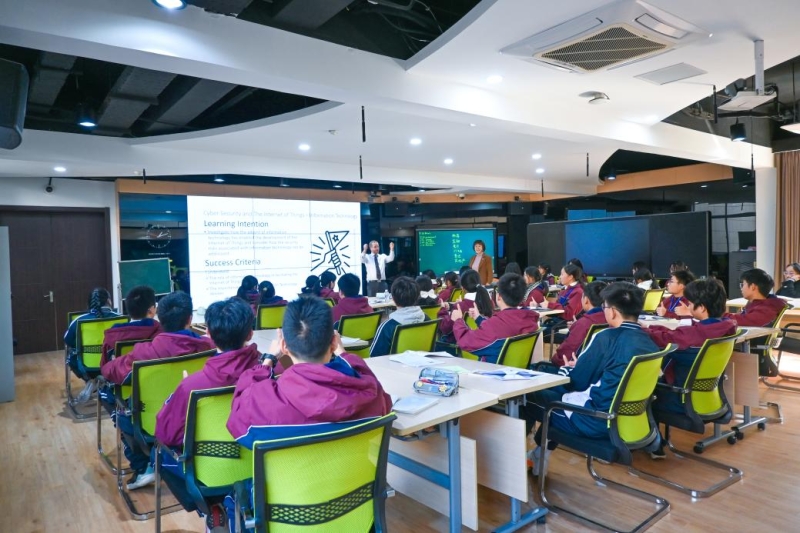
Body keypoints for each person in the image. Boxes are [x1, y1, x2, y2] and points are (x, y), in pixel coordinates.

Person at [225, 296, 393, 530]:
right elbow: (380, 394)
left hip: (290, 516)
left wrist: (268, 360)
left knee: (234, 496)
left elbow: (237, 418)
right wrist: (346, 356)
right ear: (333, 342)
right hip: (352, 507)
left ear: (284, 346)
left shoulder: (264, 402)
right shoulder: (370, 395)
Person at [523, 283, 659, 475]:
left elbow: (577, 383)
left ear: (613, 312)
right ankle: (538, 456)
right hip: (627, 420)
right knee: (553, 398)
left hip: (594, 420)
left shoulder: (606, 337)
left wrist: (574, 368)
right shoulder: (649, 341)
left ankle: (523, 460)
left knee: (526, 399)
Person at [153, 296, 261, 526]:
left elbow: (166, 434)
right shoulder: (271, 373)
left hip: (210, 473)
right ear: (250, 333)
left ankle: (211, 508)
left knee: (161, 453)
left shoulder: (192, 385)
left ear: (208, 334)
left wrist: (181, 391)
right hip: (260, 469)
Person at [102, 291, 216, 490]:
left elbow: (109, 371)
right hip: (197, 419)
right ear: (190, 319)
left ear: (159, 319)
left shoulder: (143, 352)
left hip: (152, 420)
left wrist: (111, 362)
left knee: (120, 413)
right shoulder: (208, 347)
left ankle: (143, 466)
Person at [644, 279, 737, 422]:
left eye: (691, 303)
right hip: (708, 397)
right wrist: (651, 327)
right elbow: (676, 334)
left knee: (642, 397)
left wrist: (642, 329)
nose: (688, 306)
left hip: (681, 397)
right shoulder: (724, 327)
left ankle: (656, 435)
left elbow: (665, 338)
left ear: (702, 308)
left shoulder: (693, 335)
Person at [451, 273, 539, 364]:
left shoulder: (494, 325)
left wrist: (458, 321)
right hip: (517, 371)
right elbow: (501, 329)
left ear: (499, 296)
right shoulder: (529, 319)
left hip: (492, 370)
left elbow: (466, 341)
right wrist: (478, 318)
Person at [64, 287, 122, 399]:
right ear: (109, 301)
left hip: (87, 367)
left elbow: (68, 341)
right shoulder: (121, 318)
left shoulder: (79, 320)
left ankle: (90, 380)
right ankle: (106, 381)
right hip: (113, 364)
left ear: (89, 303)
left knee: (71, 356)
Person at [100, 285, 162, 368]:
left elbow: (105, 365)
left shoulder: (112, 335)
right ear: (151, 311)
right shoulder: (160, 333)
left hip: (122, 375)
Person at [551, 281, 608, 367]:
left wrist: (553, 359)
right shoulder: (610, 319)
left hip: (573, 368)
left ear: (586, 300)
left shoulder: (584, 323)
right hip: (597, 366)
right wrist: (576, 326)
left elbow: (564, 357)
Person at [369, 276, 426, 357]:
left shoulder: (387, 327)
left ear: (393, 299)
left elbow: (374, 357)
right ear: (418, 297)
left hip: (393, 365)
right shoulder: (427, 319)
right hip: (422, 363)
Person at [437, 269, 493, 343]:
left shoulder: (460, 306)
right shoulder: (489, 302)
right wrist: (454, 305)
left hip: (461, 345)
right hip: (484, 342)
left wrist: (442, 309)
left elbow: (445, 329)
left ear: (463, 288)